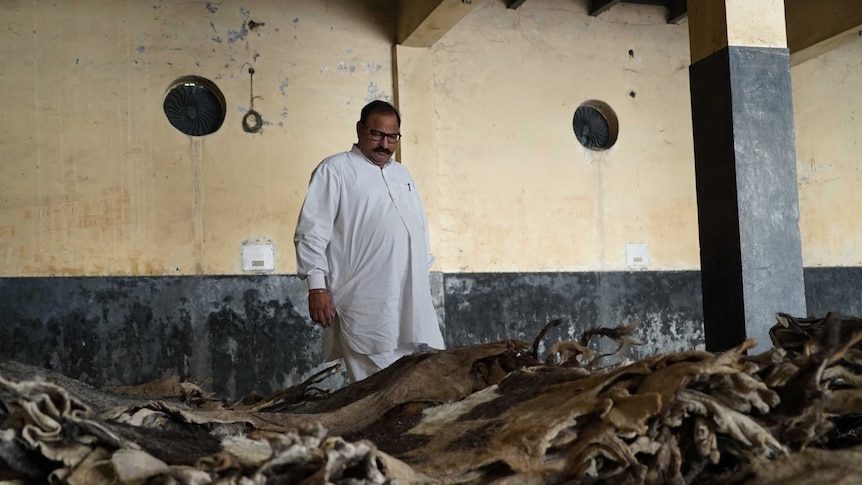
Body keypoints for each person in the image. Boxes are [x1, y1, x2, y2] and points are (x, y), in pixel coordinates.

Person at [294, 100, 445, 383]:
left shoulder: (402, 174)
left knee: (404, 381)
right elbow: (311, 231)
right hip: (363, 300)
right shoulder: (335, 169)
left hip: (407, 299)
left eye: (392, 137)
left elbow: (420, 229)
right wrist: (317, 288)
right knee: (375, 388)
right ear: (360, 130)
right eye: (376, 134)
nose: (384, 145)